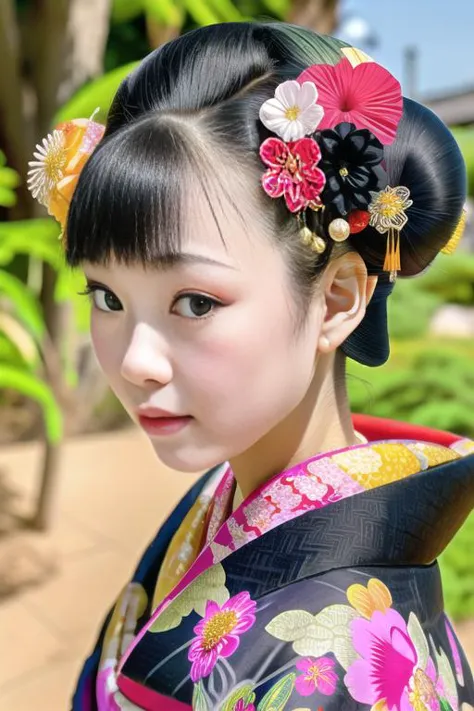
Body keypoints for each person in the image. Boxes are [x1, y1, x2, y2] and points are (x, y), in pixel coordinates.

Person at [28, 20, 474, 711]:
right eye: (108, 295)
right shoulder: (222, 492)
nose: (136, 360)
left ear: (336, 300)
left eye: (195, 301)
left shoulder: (349, 674)